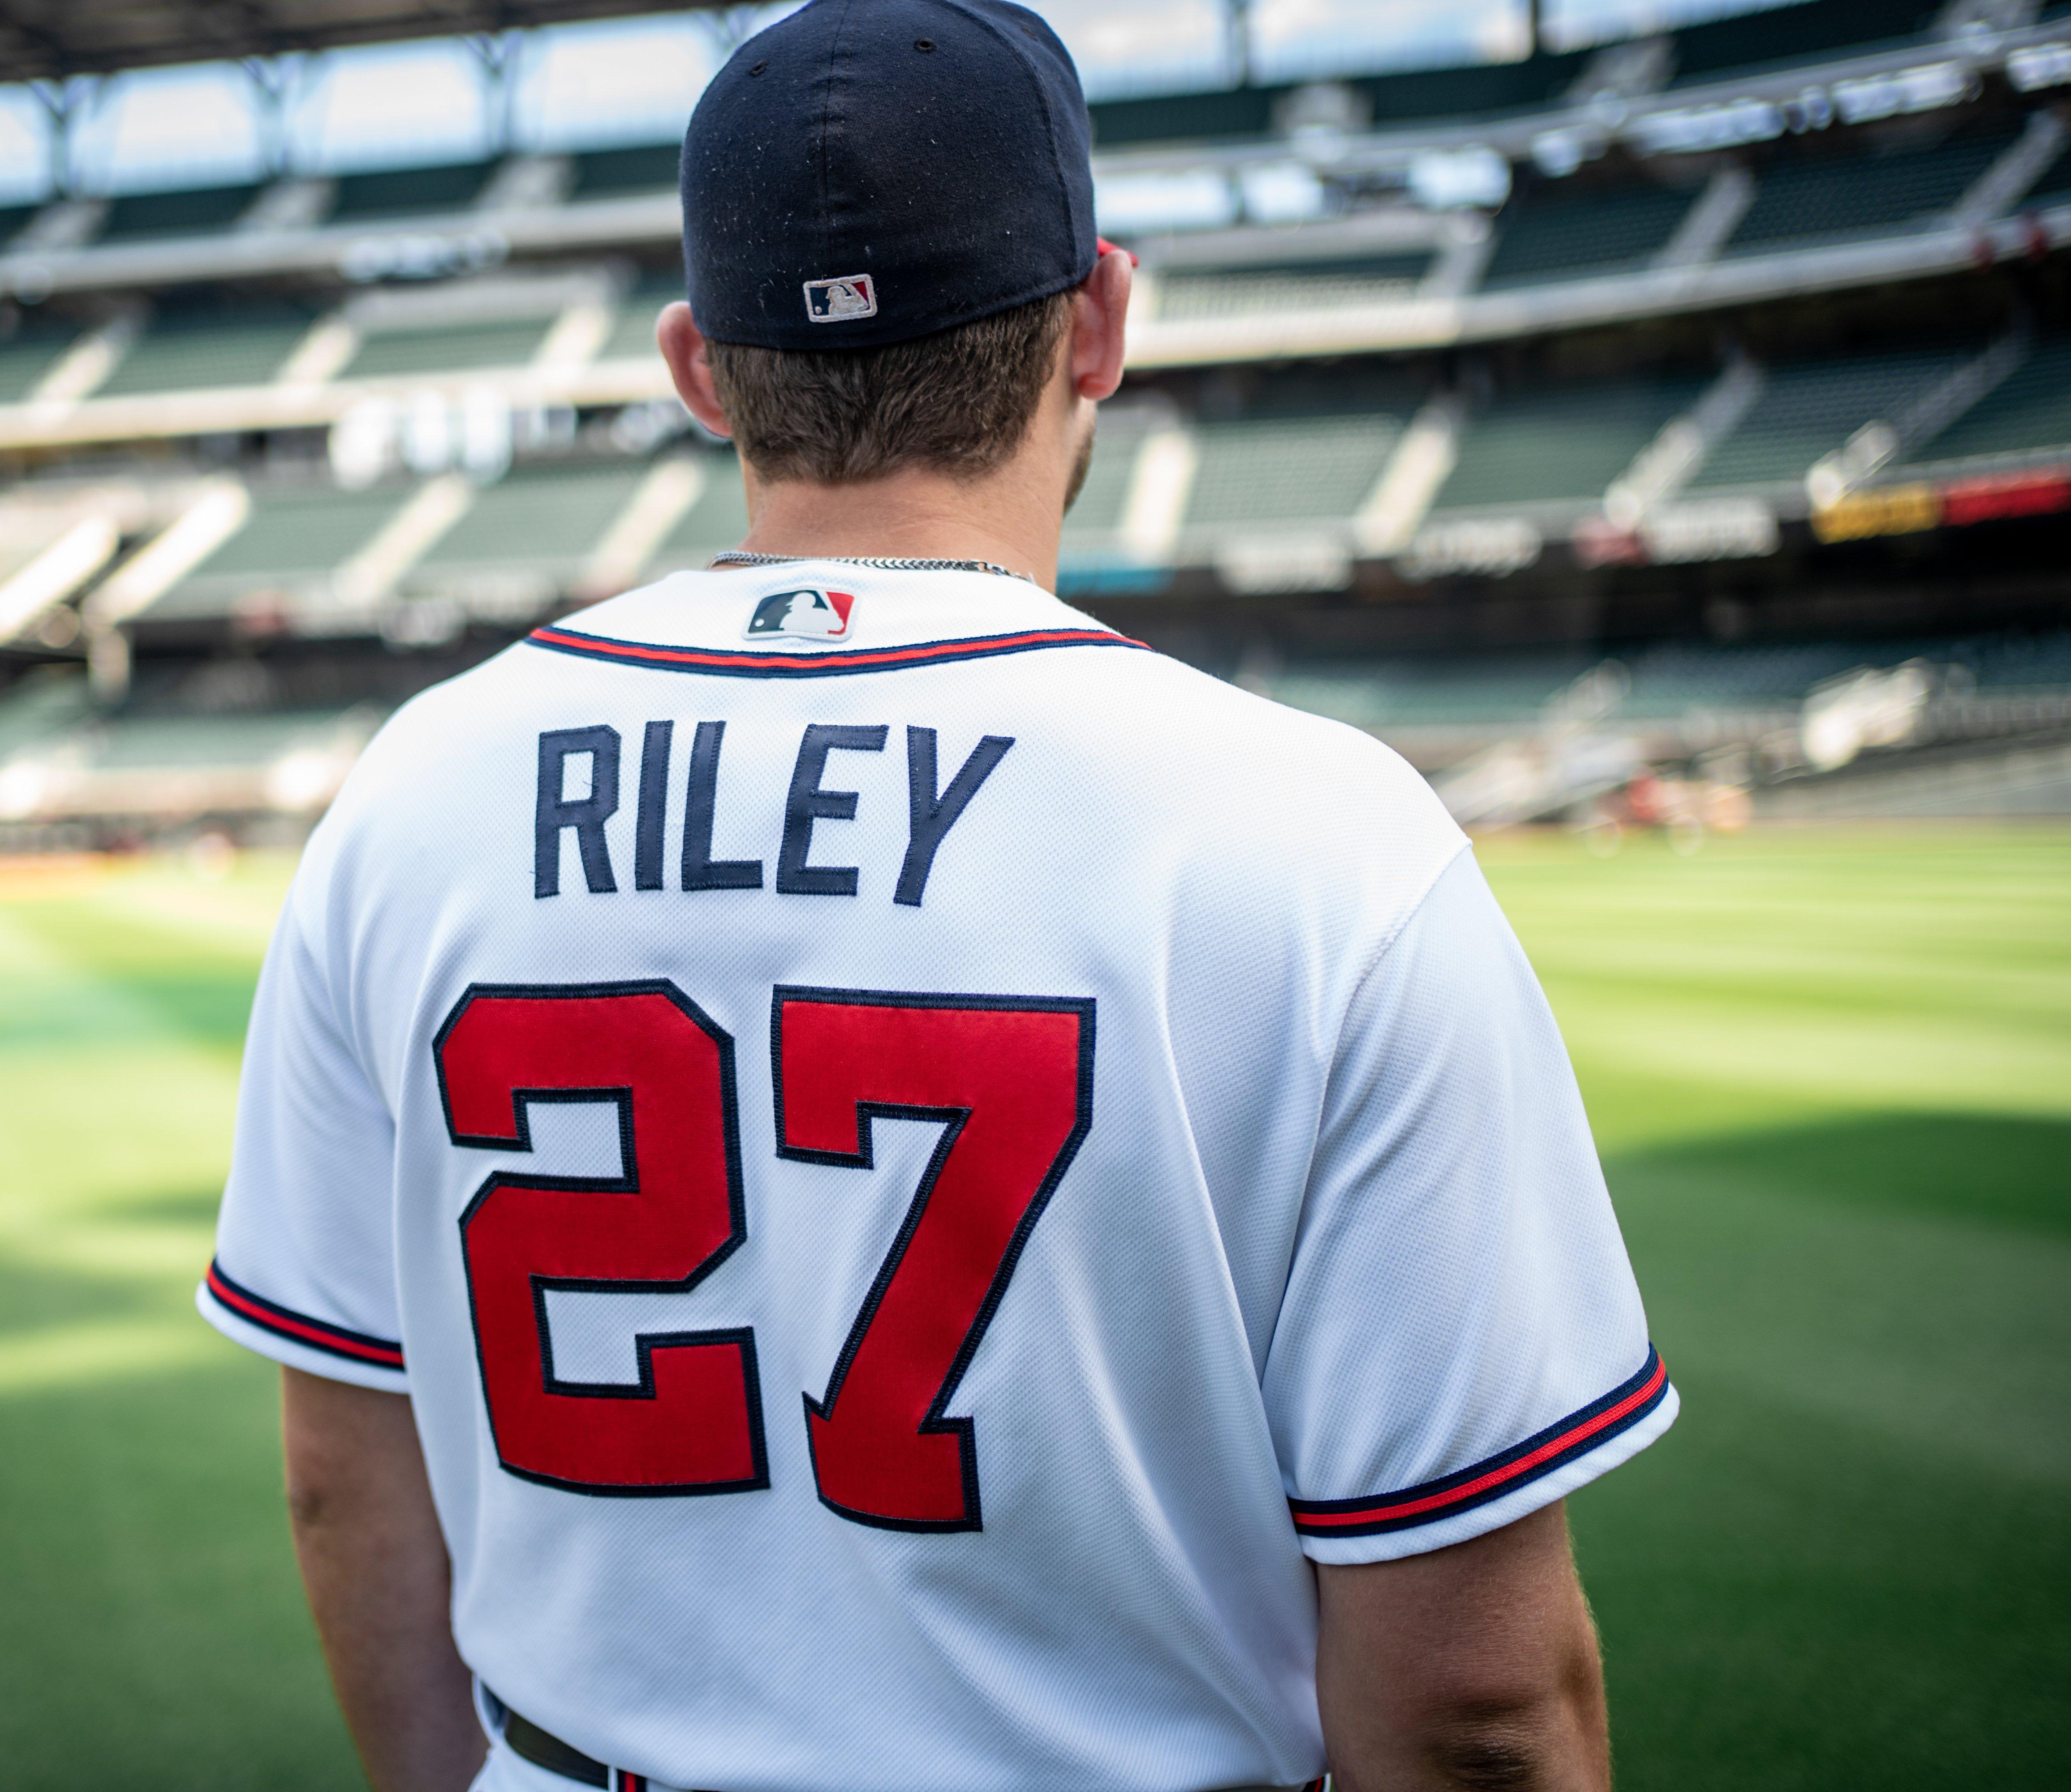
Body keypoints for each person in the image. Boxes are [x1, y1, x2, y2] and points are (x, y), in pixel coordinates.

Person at [199, 2, 1676, 1788]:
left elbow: (342, 1477)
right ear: (1103, 319)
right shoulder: (1325, 840)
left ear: (699, 369)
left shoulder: (413, 790)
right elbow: (1474, 1703)